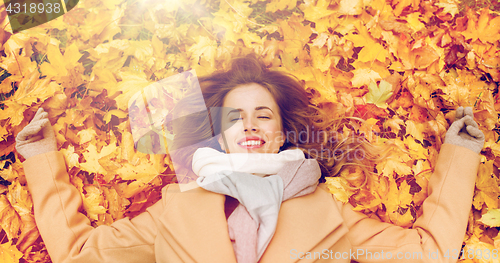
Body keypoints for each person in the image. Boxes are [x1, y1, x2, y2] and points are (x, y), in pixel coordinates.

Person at [15, 55, 485, 263]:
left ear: (282, 133)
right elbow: (78, 255)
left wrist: (460, 153)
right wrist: (40, 155)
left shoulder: (327, 214)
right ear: (220, 135)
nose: (251, 124)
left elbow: (430, 254)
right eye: (235, 117)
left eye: (264, 115)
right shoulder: (175, 211)